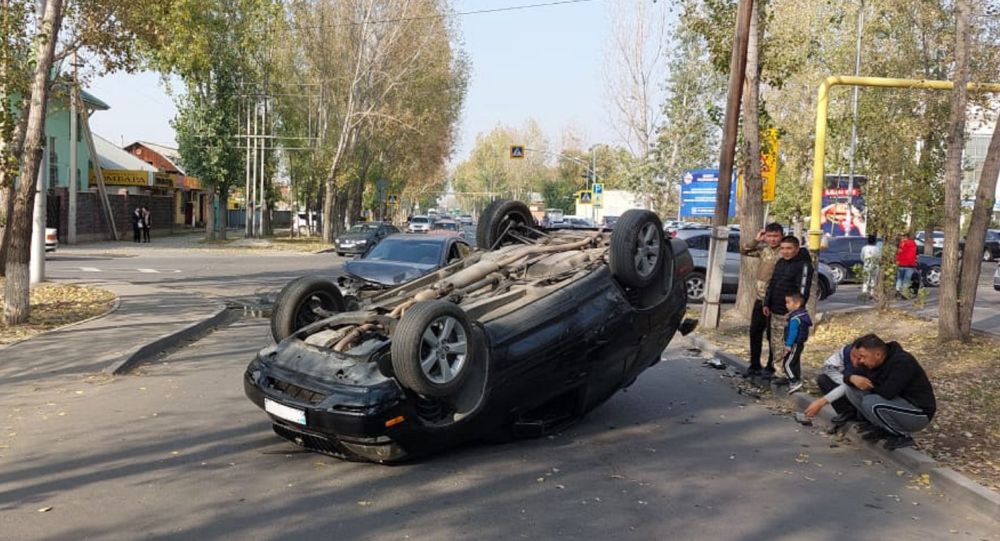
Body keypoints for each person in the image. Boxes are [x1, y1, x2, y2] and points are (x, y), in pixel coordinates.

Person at [844, 334, 937, 451]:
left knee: (871, 401)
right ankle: (881, 428)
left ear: (878, 354)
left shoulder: (903, 362)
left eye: (863, 356)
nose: (861, 361)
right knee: (852, 389)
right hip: (895, 405)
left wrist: (866, 384)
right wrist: (852, 378)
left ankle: (902, 435)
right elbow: (849, 374)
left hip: (918, 414)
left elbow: (887, 393)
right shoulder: (872, 362)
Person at [764, 235, 813, 380]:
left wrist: (794, 312)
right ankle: (779, 372)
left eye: (789, 248)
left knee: (789, 345)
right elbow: (772, 283)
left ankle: (790, 376)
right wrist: (766, 303)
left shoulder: (804, 265)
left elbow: (803, 291)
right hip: (775, 310)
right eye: (783, 248)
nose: (785, 251)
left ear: (797, 249)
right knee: (776, 344)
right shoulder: (780, 262)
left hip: (790, 315)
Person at [741, 223, 785, 378]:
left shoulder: (784, 251)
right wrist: (756, 239)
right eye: (769, 236)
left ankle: (771, 366)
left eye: (776, 236)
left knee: (773, 335)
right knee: (755, 331)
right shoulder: (763, 250)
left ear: (782, 236)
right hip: (760, 298)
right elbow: (745, 250)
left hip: (776, 300)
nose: (772, 239)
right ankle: (754, 364)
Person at [803, 340, 863, 431]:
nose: (855, 362)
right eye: (853, 356)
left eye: (860, 358)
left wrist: (821, 402)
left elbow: (857, 385)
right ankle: (846, 413)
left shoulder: (870, 363)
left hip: (865, 394)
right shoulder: (846, 352)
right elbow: (827, 367)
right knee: (823, 379)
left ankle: (864, 418)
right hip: (850, 385)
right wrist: (844, 380)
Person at [777, 292, 811, 393]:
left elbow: (793, 332)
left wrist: (788, 345)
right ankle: (795, 378)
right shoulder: (801, 314)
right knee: (794, 362)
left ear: (797, 304)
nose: (786, 305)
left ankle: (794, 381)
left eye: (788, 302)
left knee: (787, 364)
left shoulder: (795, 318)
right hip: (799, 343)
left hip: (794, 344)